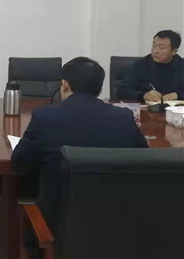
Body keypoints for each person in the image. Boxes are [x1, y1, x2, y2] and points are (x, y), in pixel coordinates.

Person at [12, 57, 148, 234]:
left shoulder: (45, 117)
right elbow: (144, 161)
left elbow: (20, 163)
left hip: (56, 226)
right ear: (100, 89)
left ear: (65, 85)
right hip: (115, 224)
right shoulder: (124, 118)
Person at [119, 30, 184, 101]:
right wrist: (144, 95)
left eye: (161, 48)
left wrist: (177, 95)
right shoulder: (139, 65)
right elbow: (123, 91)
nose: (155, 51)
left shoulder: (181, 65)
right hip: (147, 107)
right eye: (154, 45)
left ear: (174, 51)